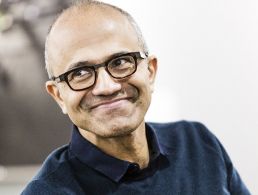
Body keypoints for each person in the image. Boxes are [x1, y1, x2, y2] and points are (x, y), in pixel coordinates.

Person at [22, 0, 250, 194]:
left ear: (150, 71)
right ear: (59, 95)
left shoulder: (198, 143)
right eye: (79, 73)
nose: (107, 87)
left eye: (120, 62)